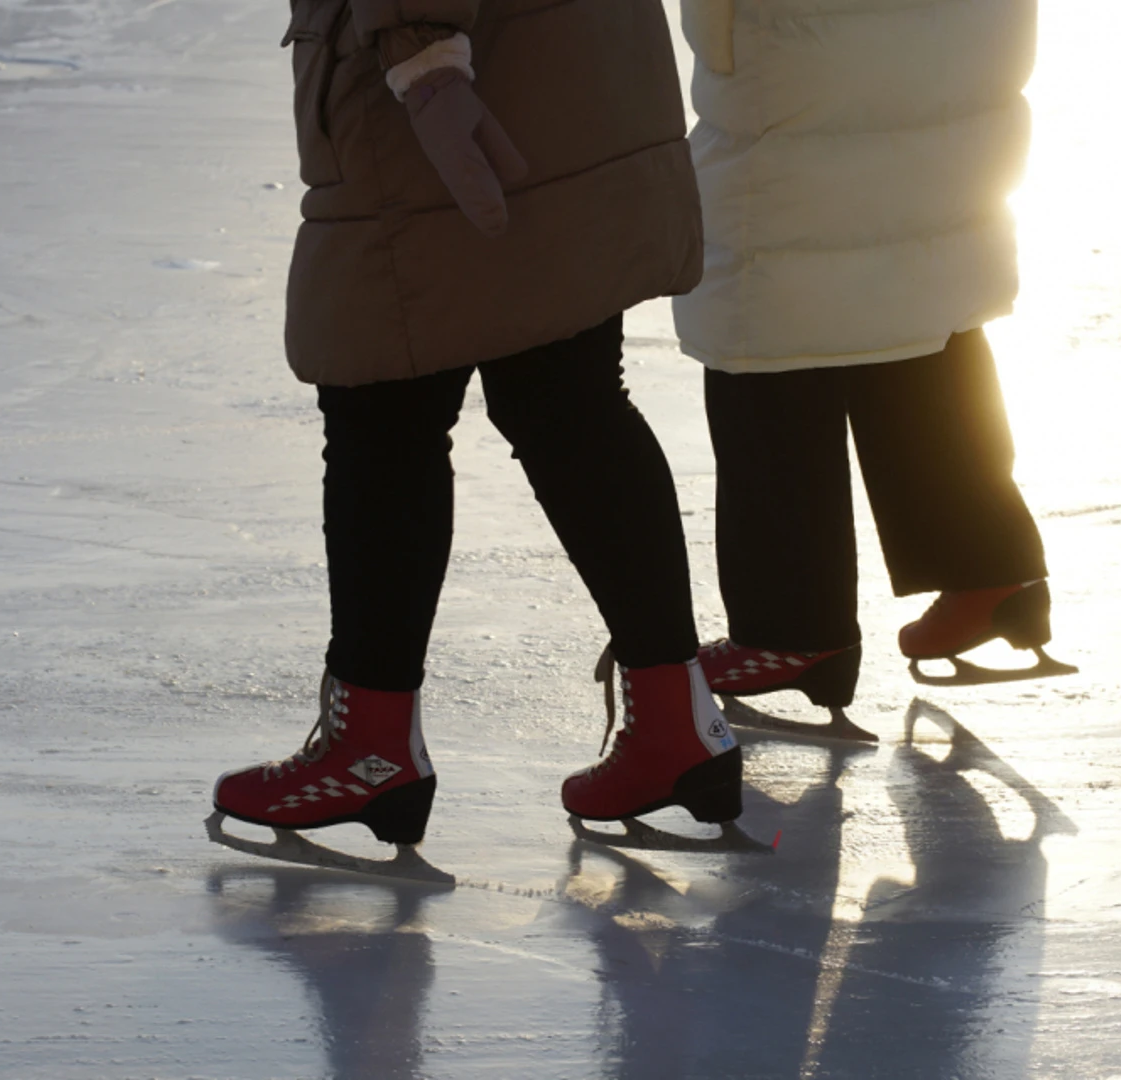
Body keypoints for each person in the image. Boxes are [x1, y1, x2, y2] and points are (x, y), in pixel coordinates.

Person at [211, 0, 739, 848]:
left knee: (382, 400)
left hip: (452, 76)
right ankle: (678, 721)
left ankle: (371, 745)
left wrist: (424, 56)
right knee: (564, 395)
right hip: (564, 61)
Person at [674, 0, 1069, 721]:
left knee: (771, 314)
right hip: (948, 39)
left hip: (802, 48)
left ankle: (792, 625)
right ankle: (986, 567)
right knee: (911, 273)